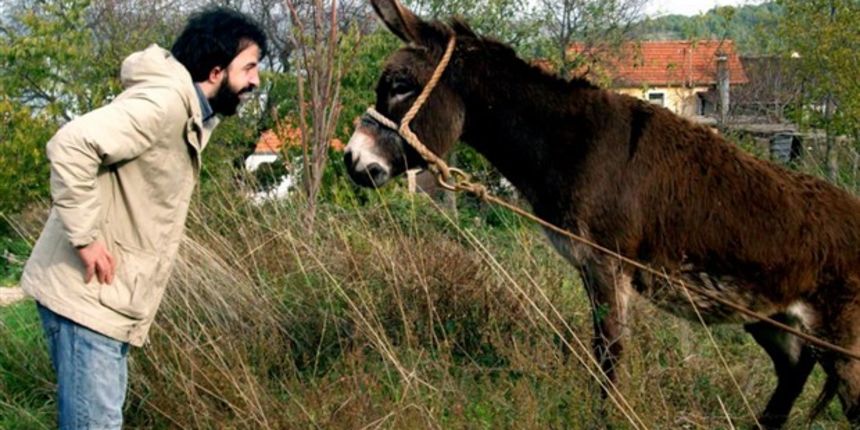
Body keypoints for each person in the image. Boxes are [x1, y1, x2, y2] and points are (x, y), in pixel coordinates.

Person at [20, 6, 267, 429]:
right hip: (88, 299)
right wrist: (85, 239)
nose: (256, 80)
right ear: (214, 71)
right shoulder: (164, 105)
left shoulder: (190, 114)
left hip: (107, 301)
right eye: (249, 68)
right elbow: (70, 145)